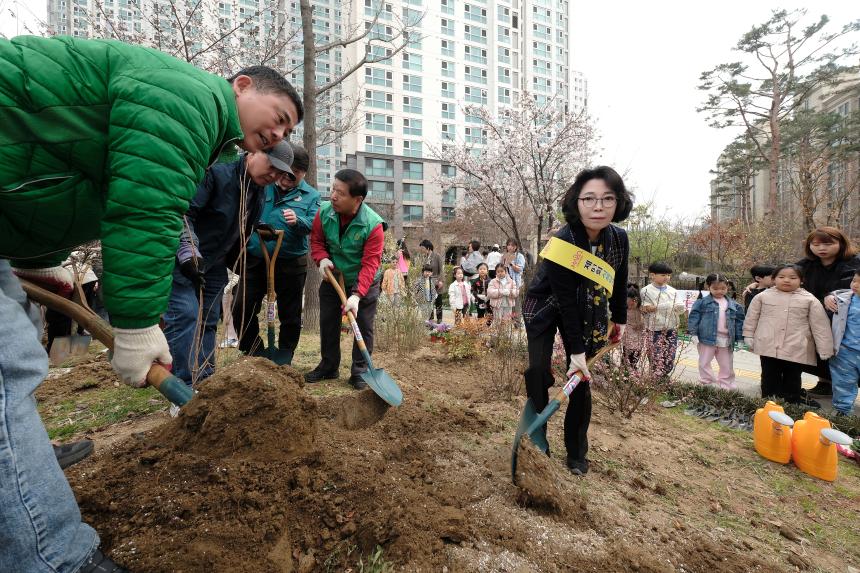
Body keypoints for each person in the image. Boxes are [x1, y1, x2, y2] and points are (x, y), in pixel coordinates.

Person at [1, 33, 302, 573]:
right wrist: (137, 325)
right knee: (8, 365)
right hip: (184, 266)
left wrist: (38, 255)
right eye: (278, 116)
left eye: (288, 132)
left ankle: (26, 464)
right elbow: (147, 207)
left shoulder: (212, 136)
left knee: (16, 345)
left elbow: (57, 166)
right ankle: (50, 557)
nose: (279, 134)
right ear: (242, 86)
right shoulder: (189, 99)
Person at [523, 166, 632, 476]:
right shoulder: (563, 242)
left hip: (591, 308)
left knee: (581, 381)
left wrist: (620, 319)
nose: (598, 207)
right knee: (537, 371)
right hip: (546, 305)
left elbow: (619, 280)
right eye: (589, 199)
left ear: (618, 203)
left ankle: (576, 453)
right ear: (576, 201)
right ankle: (537, 435)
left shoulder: (619, 238)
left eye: (607, 199)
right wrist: (576, 352)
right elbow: (565, 302)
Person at [164, 141, 296, 388]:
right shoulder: (217, 174)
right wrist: (188, 251)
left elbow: (234, 220)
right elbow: (184, 213)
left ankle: (203, 381)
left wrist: (254, 228)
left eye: (280, 173)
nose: (274, 175)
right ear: (254, 152)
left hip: (214, 263)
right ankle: (181, 388)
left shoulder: (257, 189)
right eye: (272, 166)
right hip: (185, 260)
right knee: (186, 315)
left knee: (208, 319)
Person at [231, 143, 320, 361]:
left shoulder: (312, 196)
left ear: (303, 173)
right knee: (240, 303)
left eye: (294, 175)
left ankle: (284, 355)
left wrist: (298, 222)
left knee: (289, 313)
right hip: (255, 258)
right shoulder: (263, 184)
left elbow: (314, 225)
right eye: (283, 172)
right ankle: (254, 350)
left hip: (290, 262)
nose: (286, 178)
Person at [306, 169, 384, 390]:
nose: (333, 196)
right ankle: (329, 366)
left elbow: (370, 264)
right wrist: (321, 259)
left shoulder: (373, 225)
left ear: (357, 199)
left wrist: (357, 295)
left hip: (364, 281)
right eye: (333, 190)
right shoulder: (324, 213)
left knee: (364, 325)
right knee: (328, 322)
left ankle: (360, 371)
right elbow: (317, 241)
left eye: (340, 193)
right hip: (334, 276)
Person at [743, 264, 833, 406]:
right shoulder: (763, 297)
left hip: (796, 347)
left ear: (801, 280)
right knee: (769, 377)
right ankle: (768, 405)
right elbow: (751, 317)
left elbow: (820, 326)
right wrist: (748, 335)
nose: (787, 280)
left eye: (793, 277)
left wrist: (825, 348)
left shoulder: (809, 300)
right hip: (769, 346)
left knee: (793, 378)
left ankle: (791, 405)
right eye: (781, 277)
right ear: (773, 279)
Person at [801, 227, 860, 397]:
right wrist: (758, 283)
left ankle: (843, 391)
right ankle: (825, 382)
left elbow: (850, 286)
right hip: (815, 315)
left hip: (843, 318)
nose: (821, 248)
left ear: (841, 243)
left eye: (828, 243)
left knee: (842, 355)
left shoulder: (853, 263)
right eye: (816, 244)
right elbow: (786, 273)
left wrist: (833, 294)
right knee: (819, 351)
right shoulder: (807, 264)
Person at [687, 274, 745, 390]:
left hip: (726, 340)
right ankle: (706, 382)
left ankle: (726, 385)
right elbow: (693, 318)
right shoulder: (701, 303)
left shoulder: (735, 305)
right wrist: (693, 333)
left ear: (728, 287)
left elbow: (739, 323)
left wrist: (740, 339)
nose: (719, 291)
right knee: (704, 362)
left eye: (723, 288)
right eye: (715, 288)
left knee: (726, 364)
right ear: (708, 287)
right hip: (706, 339)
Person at [640, 262, 686, 378]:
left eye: (668, 275)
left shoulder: (673, 291)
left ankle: (662, 377)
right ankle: (656, 378)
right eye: (663, 275)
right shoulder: (646, 291)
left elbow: (679, 308)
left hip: (671, 327)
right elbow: (646, 308)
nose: (667, 278)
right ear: (652, 275)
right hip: (654, 328)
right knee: (656, 355)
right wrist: (662, 306)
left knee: (670, 355)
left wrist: (680, 308)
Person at [828, 270, 860, 416]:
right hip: (845, 351)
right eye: (854, 280)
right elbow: (835, 294)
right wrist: (827, 297)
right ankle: (843, 413)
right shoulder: (843, 299)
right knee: (842, 382)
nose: (855, 285)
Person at [418, 239, 444, 323]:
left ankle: (439, 319)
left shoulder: (437, 256)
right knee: (429, 301)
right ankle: (430, 318)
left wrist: (440, 280)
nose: (422, 250)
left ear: (428, 248)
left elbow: (441, 270)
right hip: (427, 282)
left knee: (438, 301)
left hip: (436, 282)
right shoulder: (424, 258)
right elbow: (422, 270)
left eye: (423, 248)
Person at [623, 284, 644, 365]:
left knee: (637, 352)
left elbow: (647, 319)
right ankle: (626, 367)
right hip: (627, 332)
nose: (630, 305)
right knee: (626, 351)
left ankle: (632, 366)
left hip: (638, 333)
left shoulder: (640, 308)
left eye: (633, 303)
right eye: (628, 303)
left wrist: (640, 323)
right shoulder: (624, 309)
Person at [219, 270, 240, 348]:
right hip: (225, 288)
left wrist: (227, 288)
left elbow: (236, 275)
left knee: (233, 311)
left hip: (233, 287)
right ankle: (231, 338)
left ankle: (235, 338)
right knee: (225, 313)